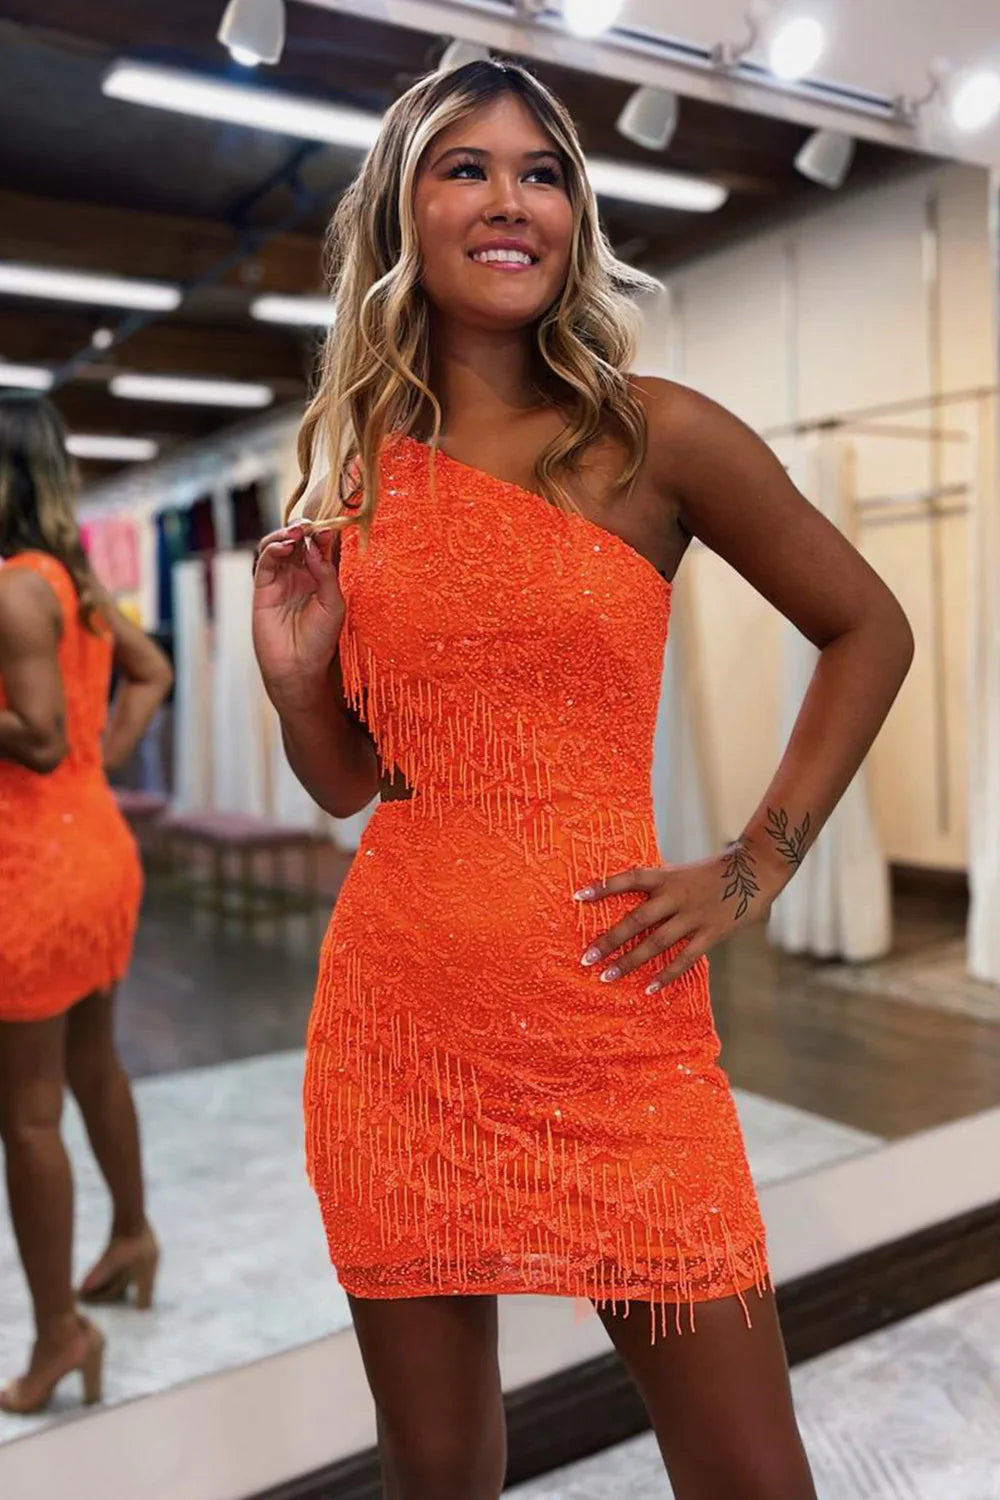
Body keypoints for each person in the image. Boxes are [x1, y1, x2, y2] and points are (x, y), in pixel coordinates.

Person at [252, 59, 913, 1500]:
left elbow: (870, 628)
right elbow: (353, 785)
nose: (511, 201)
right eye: (466, 168)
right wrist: (300, 681)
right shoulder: (360, 479)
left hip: (618, 1025)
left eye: (541, 172)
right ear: (403, 213)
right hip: (397, 1034)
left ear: (575, 214)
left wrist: (755, 866)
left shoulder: (653, 434)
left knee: (751, 1478)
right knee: (437, 1469)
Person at [0, 392, 172, 1415]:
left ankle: (60, 1333)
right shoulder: (74, 582)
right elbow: (150, 672)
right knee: (94, 1062)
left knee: (26, 1118)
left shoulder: (15, 590)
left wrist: (76, 758)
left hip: (31, 874)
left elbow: (35, 735)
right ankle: (134, 1235)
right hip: (90, 849)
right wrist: (99, 766)